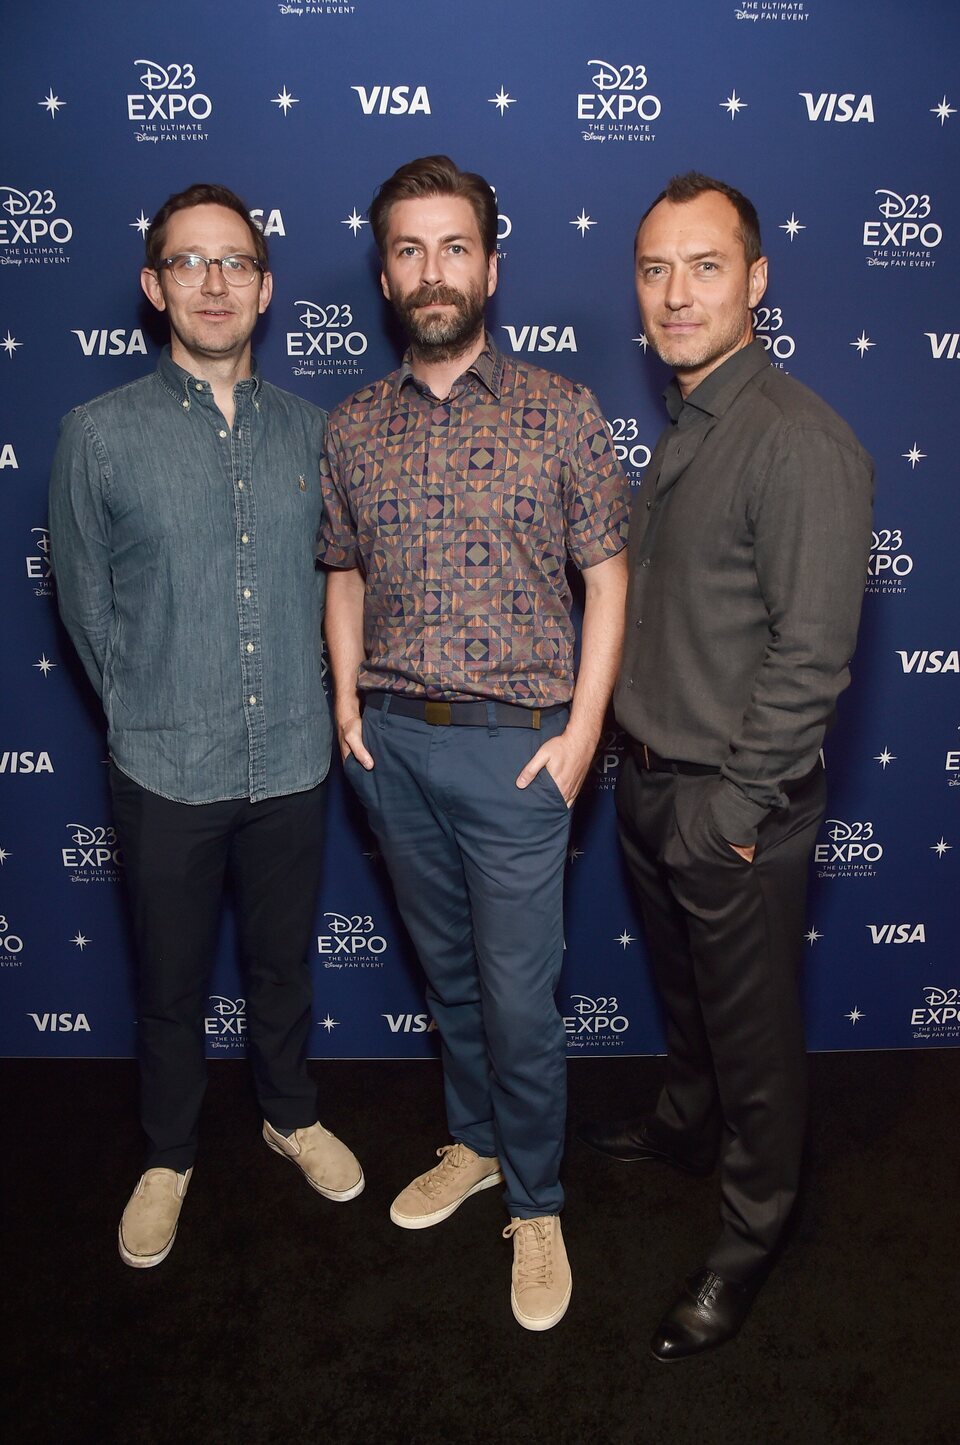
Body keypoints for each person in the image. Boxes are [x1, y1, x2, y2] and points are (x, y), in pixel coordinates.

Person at [319, 155, 628, 1331]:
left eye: (455, 247)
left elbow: (608, 577)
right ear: (386, 271)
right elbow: (340, 573)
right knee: (450, 980)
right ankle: (475, 1143)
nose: (432, 270)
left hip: (520, 755)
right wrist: (347, 705)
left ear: (491, 265)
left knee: (517, 999)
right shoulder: (352, 428)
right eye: (410, 249)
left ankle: (538, 1202)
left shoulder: (561, 410)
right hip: (392, 749)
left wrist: (583, 731)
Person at [580, 172, 874, 1358]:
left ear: (757, 280)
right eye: (655, 268)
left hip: (726, 802)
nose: (676, 292)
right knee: (691, 1005)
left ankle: (753, 1231)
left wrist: (735, 810)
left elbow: (812, 657)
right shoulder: (690, 421)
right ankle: (686, 1123)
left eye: (706, 266)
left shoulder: (798, 439)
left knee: (754, 1040)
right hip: (650, 784)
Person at [49, 182, 363, 1270]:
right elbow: (88, 611)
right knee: (170, 980)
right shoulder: (96, 436)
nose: (215, 281)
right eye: (190, 262)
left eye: (235, 262)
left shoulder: (318, 436)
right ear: (154, 286)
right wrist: (149, 710)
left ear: (267, 289)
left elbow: (342, 589)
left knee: (282, 965)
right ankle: (169, 1154)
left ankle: (289, 1110)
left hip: (289, 757)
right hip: (164, 767)